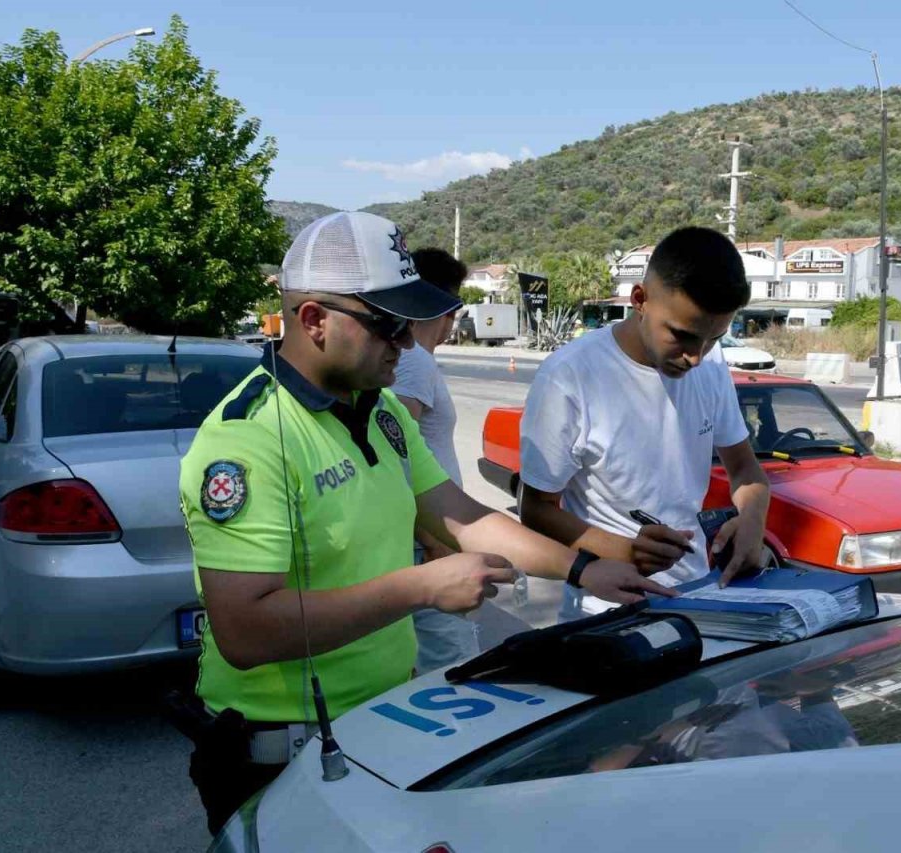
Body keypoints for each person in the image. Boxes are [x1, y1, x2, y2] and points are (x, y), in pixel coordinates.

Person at [178, 211, 669, 834]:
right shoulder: (245, 443)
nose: (407, 343)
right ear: (313, 320)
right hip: (275, 755)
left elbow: (459, 516)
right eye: (388, 325)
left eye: (409, 324)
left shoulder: (377, 411)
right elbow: (245, 632)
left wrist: (586, 570)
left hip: (382, 724)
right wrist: (420, 588)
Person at [518, 226, 771, 622]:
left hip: (699, 598)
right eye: (682, 336)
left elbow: (745, 470)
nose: (696, 358)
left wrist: (753, 521)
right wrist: (625, 550)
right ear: (640, 299)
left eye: (713, 339)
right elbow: (535, 509)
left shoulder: (712, 363)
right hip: (608, 610)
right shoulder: (569, 377)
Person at [390, 247, 479, 673]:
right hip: (424, 541)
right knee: (452, 667)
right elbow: (397, 458)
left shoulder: (410, 360)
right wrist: (435, 542)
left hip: (422, 536)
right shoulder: (415, 363)